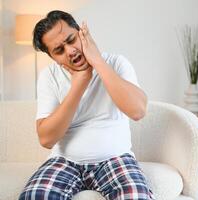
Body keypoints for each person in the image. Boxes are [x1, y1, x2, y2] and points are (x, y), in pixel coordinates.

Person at [19, 10, 154, 200]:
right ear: (53, 58)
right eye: (59, 50)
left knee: (136, 196)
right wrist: (80, 83)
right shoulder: (49, 76)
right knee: (34, 196)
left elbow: (138, 110)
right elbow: (46, 139)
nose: (70, 51)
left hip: (115, 159)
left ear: (81, 32)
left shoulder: (116, 63)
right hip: (64, 161)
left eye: (71, 40)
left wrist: (97, 61)